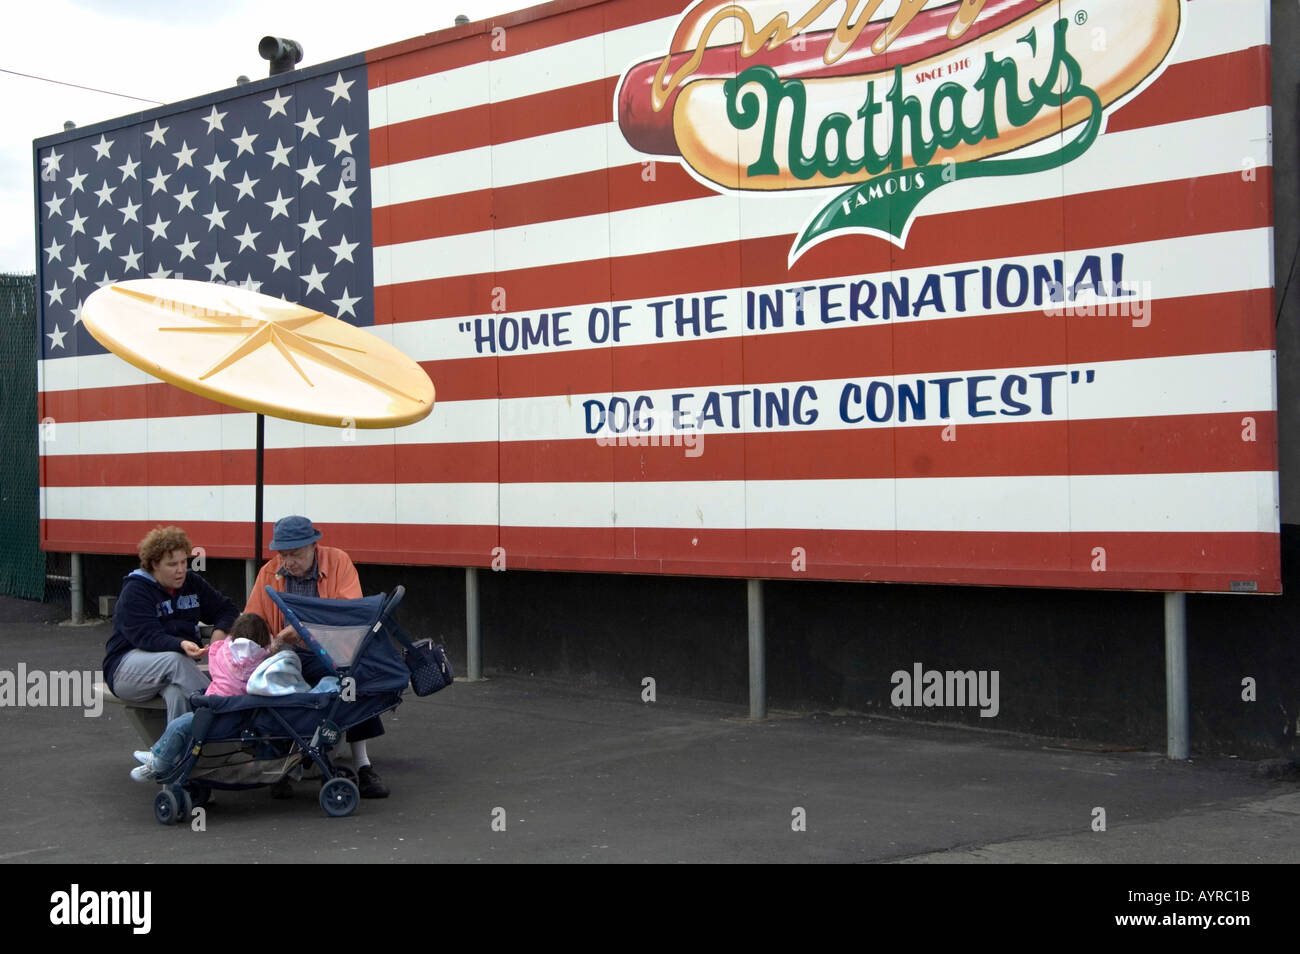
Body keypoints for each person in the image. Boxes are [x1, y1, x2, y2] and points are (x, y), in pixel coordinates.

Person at [243, 515, 389, 799]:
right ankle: (281, 765)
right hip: (287, 653)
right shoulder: (268, 572)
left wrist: (303, 630)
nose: (288, 562)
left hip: (335, 650)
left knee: (351, 681)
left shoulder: (338, 562)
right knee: (270, 683)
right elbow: (254, 619)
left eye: (295, 554)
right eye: (283, 554)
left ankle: (363, 765)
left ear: (313, 546)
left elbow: (351, 613)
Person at [130, 612, 298, 781]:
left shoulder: (222, 655)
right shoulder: (266, 660)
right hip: (247, 719)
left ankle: (158, 761)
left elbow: (217, 647)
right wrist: (272, 643)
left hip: (216, 716)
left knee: (178, 726)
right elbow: (268, 649)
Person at [103, 525, 238, 724]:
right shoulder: (136, 590)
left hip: (170, 667)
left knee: (178, 693)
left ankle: (172, 753)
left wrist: (220, 631)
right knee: (176, 661)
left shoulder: (191, 582)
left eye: (184, 562)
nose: (181, 570)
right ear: (154, 565)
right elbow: (146, 636)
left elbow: (228, 609)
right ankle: (229, 714)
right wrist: (180, 644)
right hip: (125, 668)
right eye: (172, 564)